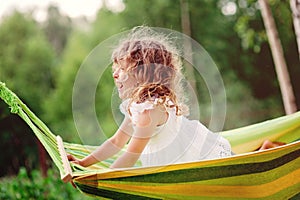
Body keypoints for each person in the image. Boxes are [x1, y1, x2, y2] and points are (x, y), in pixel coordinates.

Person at [67, 27, 233, 168]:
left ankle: (260, 153)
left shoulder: (150, 110)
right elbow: (117, 141)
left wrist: (103, 179)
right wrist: (83, 163)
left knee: (249, 167)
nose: (115, 75)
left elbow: (131, 155)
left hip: (204, 159)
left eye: (122, 69)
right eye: (115, 70)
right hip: (179, 166)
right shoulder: (138, 107)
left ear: (143, 74)